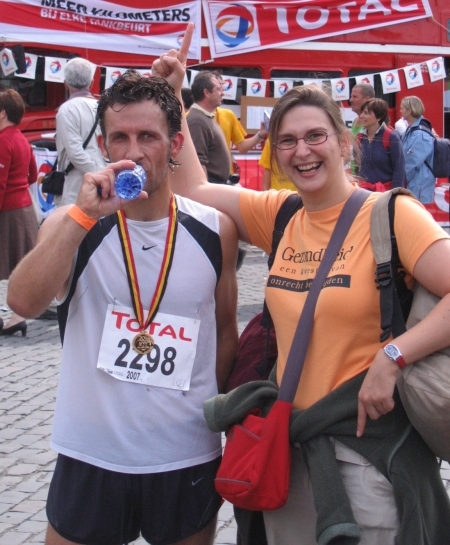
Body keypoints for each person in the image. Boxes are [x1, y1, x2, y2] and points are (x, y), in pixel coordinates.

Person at [154, 31, 450, 544]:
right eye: (287, 141)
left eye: (315, 136)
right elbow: (193, 190)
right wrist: (173, 99)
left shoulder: (392, 215)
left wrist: (393, 356)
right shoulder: (283, 214)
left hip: (368, 456)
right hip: (288, 453)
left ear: (343, 142)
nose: (302, 151)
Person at [7, 31, 239, 545]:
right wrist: (82, 216)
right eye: (120, 138)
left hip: (184, 455)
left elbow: (225, 333)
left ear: (174, 144)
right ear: (102, 145)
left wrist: (210, 416)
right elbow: (21, 300)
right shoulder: (72, 223)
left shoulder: (214, 228)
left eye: (148, 137)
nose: (134, 152)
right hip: (92, 453)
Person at [0, 89, 38, 337]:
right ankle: (18, 317)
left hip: (8, 211)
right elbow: (33, 174)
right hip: (23, 209)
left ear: (2, 113)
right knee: (20, 264)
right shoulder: (22, 138)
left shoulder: (3, 140)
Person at [55, 57, 105, 207]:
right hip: (103, 183)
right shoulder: (103, 107)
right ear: (91, 83)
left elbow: (75, 152)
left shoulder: (66, 110)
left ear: (65, 84)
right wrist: (104, 173)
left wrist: (97, 173)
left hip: (76, 186)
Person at [187, 71, 231, 184]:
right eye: (218, 89)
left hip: (216, 184)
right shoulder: (197, 121)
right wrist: (205, 190)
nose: (222, 93)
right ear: (206, 93)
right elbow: (198, 160)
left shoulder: (203, 117)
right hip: (212, 184)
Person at [357, 98, 405, 191]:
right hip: (365, 193)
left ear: (378, 117)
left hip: (386, 193)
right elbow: (357, 168)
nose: (361, 116)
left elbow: (399, 169)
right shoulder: (359, 137)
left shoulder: (391, 137)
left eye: (366, 113)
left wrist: (395, 194)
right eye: (362, 112)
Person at [400, 95, 435, 204]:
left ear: (409, 111)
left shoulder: (420, 134)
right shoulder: (411, 129)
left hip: (418, 185)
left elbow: (411, 162)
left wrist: (399, 179)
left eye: (402, 108)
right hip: (414, 184)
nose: (400, 111)